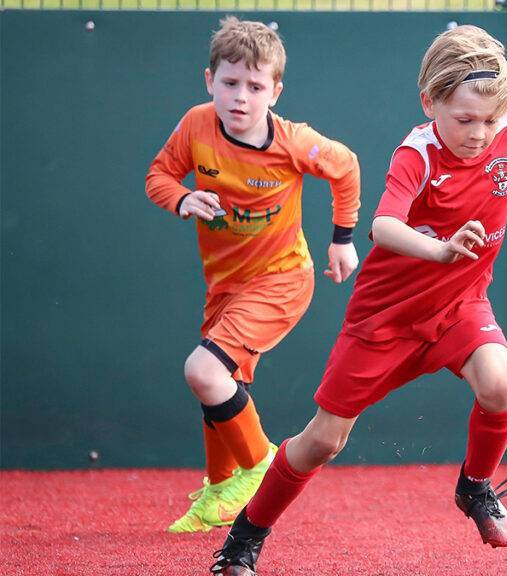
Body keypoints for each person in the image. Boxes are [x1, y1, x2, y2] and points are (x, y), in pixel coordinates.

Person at [209, 24, 507, 574]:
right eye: (464, 120)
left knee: (501, 384)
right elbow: (383, 226)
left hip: (459, 306)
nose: (480, 134)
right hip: (385, 319)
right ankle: (245, 538)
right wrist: (441, 251)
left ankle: (475, 488)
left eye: (491, 120)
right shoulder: (419, 153)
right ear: (430, 102)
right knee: (322, 442)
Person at [146, 16, 361, 533]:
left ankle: (260, 465)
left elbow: (347, 166)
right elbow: (158, 175)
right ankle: (219, 495)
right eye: (230, 83)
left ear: (275, 91)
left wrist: (343, 239)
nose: (241, 97)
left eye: (255, 86)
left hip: (283, 278)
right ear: (209, 81)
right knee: (222, 384)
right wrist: (182, 198)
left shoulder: (294, 142)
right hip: (224, 285)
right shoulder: (197, 124)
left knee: (203, 370)